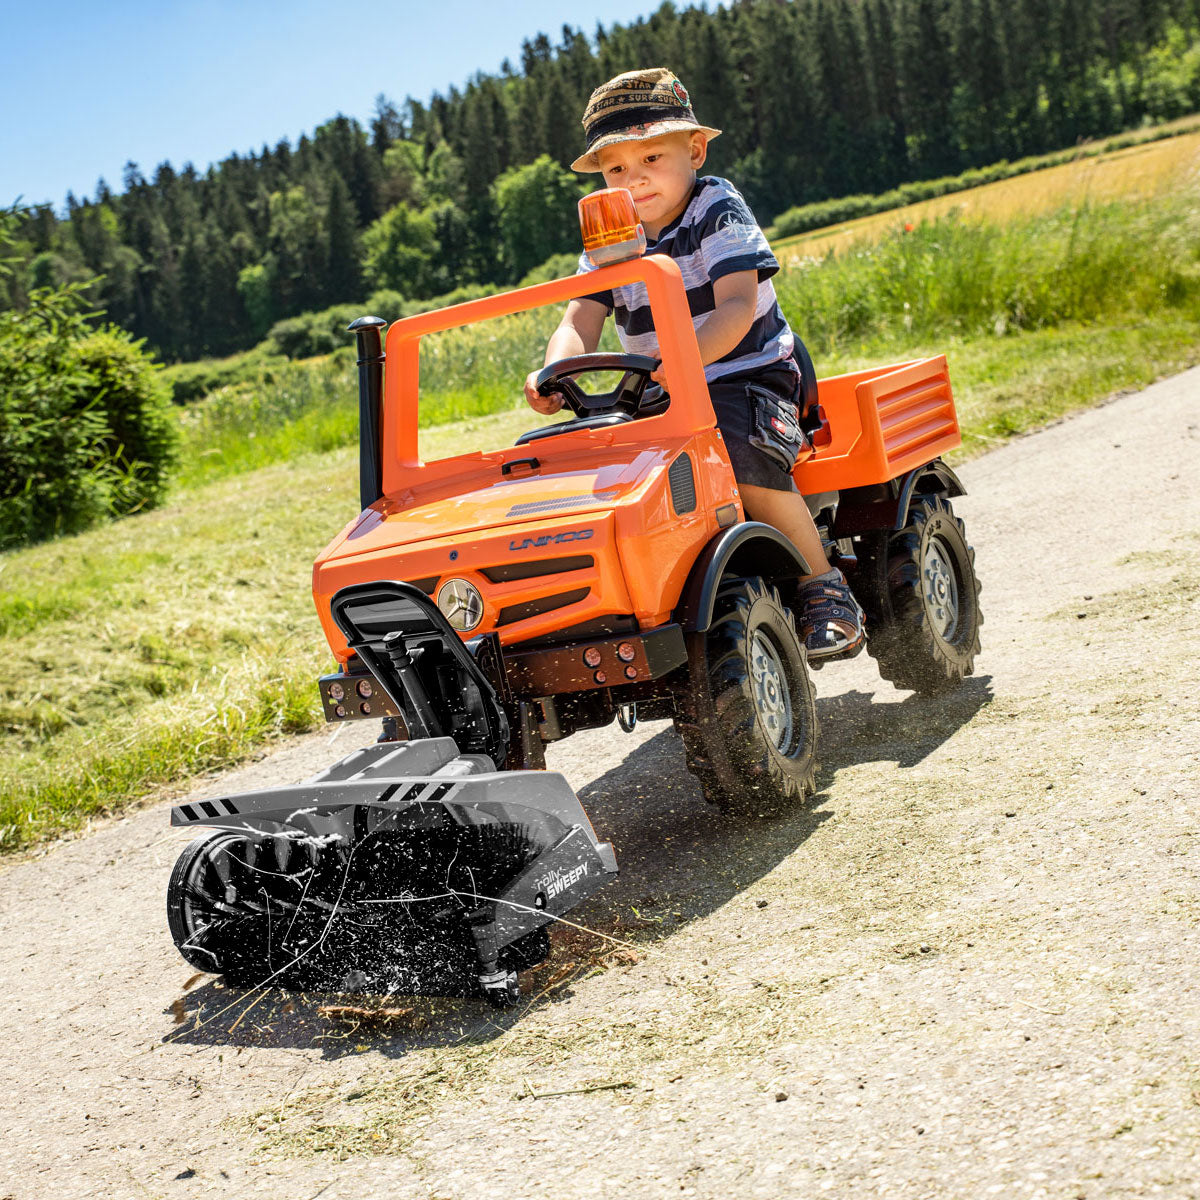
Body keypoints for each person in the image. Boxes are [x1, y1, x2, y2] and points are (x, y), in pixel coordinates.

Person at [523, 67, 864, 657]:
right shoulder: (608, 235)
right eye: (615, 168)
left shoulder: (716, 207)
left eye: (651, 157)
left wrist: (685, 360)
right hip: (661, 391)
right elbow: (579, 320)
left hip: (746, 373)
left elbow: (736, 307)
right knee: (588, 466)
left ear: (695, 151)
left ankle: (823, 585)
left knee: (733, 449)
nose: (634, 178)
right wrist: (554, 370)